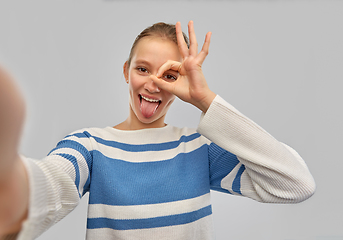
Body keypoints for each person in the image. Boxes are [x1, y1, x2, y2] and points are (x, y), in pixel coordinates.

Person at [0, 21, 316, 240]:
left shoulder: (199, 149)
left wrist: (206, 101)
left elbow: (295, 184)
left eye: (170, 75)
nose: (153, 83)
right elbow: (48, 184)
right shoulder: (90, 146)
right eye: (142, 69)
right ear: (126, 72)